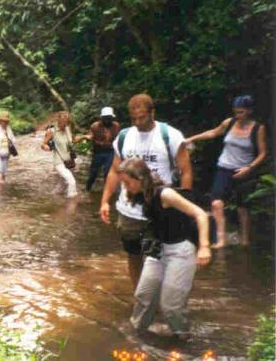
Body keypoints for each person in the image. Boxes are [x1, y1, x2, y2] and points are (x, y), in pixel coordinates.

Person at [100, 94, 192, 288]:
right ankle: (140, 297)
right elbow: (114, 171)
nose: (138, 122)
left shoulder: (171, 136)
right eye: (134, 119)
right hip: (129, 210)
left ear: (152, 113)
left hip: (161, 209)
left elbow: (185, 171)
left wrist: (184, 206)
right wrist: (105, 201)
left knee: (162, 257)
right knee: (133, 256)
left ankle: (163, 295)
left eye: (142, 117)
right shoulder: (124, 137)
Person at [116, 158, 211, 340]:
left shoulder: (165, 194)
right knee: (144, 296)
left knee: (171, 306)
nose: (125, 187)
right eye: (123, 183)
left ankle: (184, 339)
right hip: (158, 250)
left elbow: (200, 214)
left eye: (127, 183)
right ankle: (135, 335)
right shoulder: (141, 194)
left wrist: (204, 246)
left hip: (180, 251)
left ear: (141, 178)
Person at [184, 95, 267, 248]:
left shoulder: (257, 128)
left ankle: (245, 239)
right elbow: (213, 133)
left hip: (244, 170)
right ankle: (221, 240)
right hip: (224, 167)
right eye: (235, 112)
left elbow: (262, 153)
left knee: (243, 207)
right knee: (216, 203)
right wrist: (191, 139)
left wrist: (249, 168)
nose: (238, 115)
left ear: (249, 111)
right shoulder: (229, 123)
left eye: (241, 112)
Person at [41, 111, 78, 198]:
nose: (65, 121)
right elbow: (43, 143)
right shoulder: (52, 131)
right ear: (59, 119)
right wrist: (45, 146)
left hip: (68, 161)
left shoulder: (68, 129)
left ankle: (52, 197)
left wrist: (84, 137)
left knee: (62, 185)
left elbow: (72, 141)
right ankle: (72, 202)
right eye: (64, 118)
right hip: (58, 162)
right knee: (71, 181)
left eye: (67, 119)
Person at [83, 106, 120, 191]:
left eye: (109, 117)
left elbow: (118, 139)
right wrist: (87, 137)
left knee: (107, 172)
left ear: (112, 117)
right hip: (98, 152)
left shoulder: (116, 126)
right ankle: (87, 189)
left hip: (110, 152)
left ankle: (107, 191)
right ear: (102, 117)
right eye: (106, 117)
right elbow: (91, 135)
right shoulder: (95, 126)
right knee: (93, 173)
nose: (108, 119)